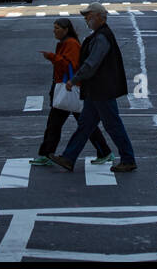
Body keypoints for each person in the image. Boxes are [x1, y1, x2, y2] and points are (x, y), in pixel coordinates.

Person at [47, 3, 137, 173]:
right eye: (85, 16)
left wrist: (74, 80)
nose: (86, 19)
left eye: (89, 16)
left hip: (102, 89)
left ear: (99, 16)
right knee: (85, 125)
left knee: (112, 125)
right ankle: (68, 158)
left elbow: (91, 63)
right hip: (96, 90)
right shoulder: (99, 35)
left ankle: (128, 159)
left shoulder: (102, 37)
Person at [30, 19, 113, 167]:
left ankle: (105, 151)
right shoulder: (66, 43)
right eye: (54, 28)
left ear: (66, 29)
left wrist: (52, 57)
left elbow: (71, 65)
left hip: (70, 89)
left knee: (82, 125)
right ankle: (47, 154)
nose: (54, 31)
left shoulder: (71, 44)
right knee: (57, 124)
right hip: (65, 88)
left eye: (57, 28)